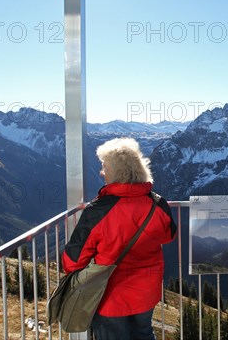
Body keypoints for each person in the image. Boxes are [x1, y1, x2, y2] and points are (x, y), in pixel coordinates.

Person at [62, 138, 177, 340]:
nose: (101, 172)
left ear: (117, 172)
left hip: (109, 294)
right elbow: (169, 235)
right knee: (144, 333)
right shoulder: (158, 204)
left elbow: (73, 260)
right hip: (146, 291)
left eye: (105, 166)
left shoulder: (98, 210)